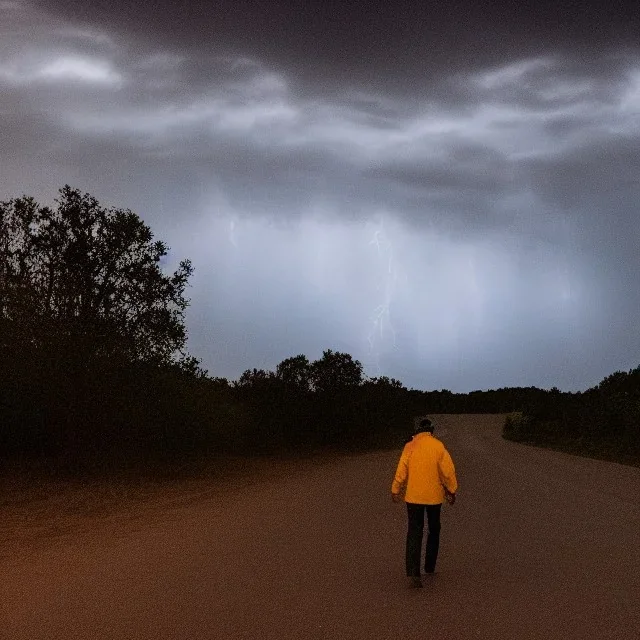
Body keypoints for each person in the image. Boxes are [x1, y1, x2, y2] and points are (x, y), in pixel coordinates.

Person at [391, 417, 458, 588]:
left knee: (415, 530)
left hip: (413, 497)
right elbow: (448, 472)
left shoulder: (410, 447)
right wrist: (452, 490)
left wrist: (395, 489)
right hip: (434, 498)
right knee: (434, 528)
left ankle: (414, 572)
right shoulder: (438, 446)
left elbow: (401, 471)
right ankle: (429, 565)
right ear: (431, 430)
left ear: (417, 430)